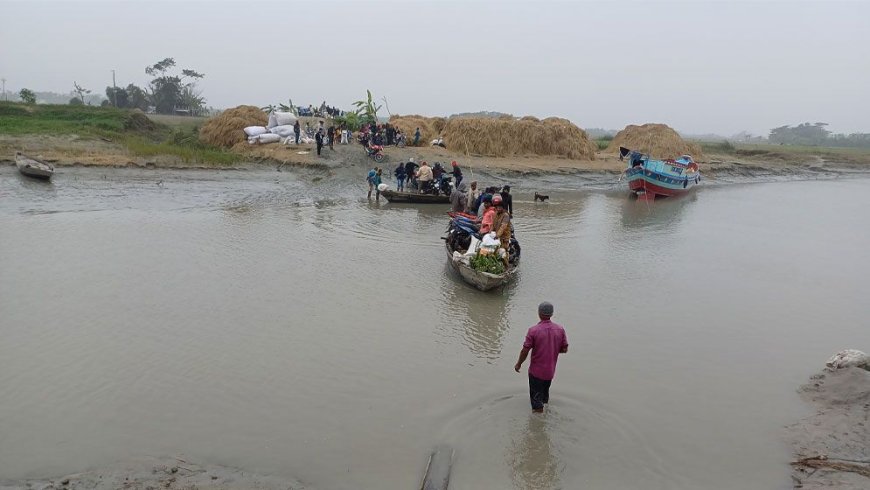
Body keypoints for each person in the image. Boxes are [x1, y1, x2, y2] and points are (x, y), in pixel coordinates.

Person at [514, 302, 568, 413]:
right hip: (550, 372)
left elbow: (525, 350)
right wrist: (552, 348)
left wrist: (519, 363)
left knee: (536, 402)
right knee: (544, 396)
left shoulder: (533, 330)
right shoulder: (560, 329)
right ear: (551, 314)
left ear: (539, 313)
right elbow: (564, 349)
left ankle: (538, 426)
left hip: (536, 372)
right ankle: (545, 414)